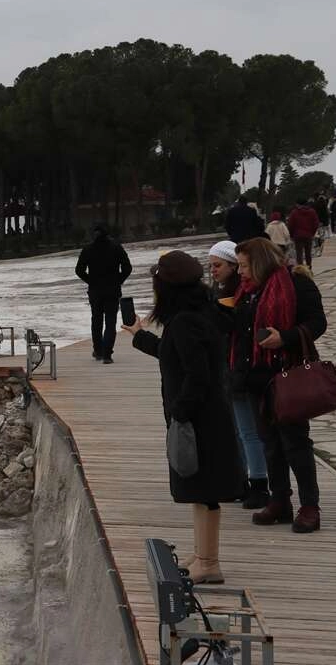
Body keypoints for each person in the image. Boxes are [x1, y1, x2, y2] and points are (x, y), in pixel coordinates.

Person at [124, 250, 244, 584]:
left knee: (203, 487)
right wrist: (139, 336)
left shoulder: (185, 321)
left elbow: (197, 374)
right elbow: (171, 353)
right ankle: (202, 553)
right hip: (207, 415)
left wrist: (181, 412)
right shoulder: (199, 314)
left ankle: (209, 561)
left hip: (199, 420)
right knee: (200, 490)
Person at [231, 238, 326, 533]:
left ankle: (310, 506)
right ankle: (280, 500)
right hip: (257, 379)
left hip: (288, 376)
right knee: (270, 443)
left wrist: (284, 337)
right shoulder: (248, 291)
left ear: (258, 262)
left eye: (244, 266)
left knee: (295, 443)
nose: (240, 273)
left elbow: (317, 323)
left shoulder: (297, 283)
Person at [208, 241, 270, 509]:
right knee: (238, 430)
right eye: (210, 265)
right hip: (228, 368)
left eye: (217, 265)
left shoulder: (241, 294)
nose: (212, 270)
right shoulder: (220, 291)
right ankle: (244, 480)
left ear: (234, 266)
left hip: (241, 368)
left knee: (248, 430)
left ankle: (258, 482)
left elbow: (238, 329)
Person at [75, 223, 132, 364]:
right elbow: (127, 268)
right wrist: (119, 280)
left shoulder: (87, 249)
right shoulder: (116, 248)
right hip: (112, 290)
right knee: (110, 322)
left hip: (95, 291)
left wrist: (90, 281)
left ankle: (98, 351)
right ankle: (107, 355)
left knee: (96, 321)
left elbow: (79, 270)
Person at [286, 198, 319, 269]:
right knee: (308, 253)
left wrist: (291, 234)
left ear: (298, 204)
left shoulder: (294, 212)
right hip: (308, 235)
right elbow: (316, 224)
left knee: (299, 254)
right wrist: (312, 233)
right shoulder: (312, 212)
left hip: (297, 236)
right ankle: (309, 268)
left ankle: (301, 270)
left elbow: (290, 225)